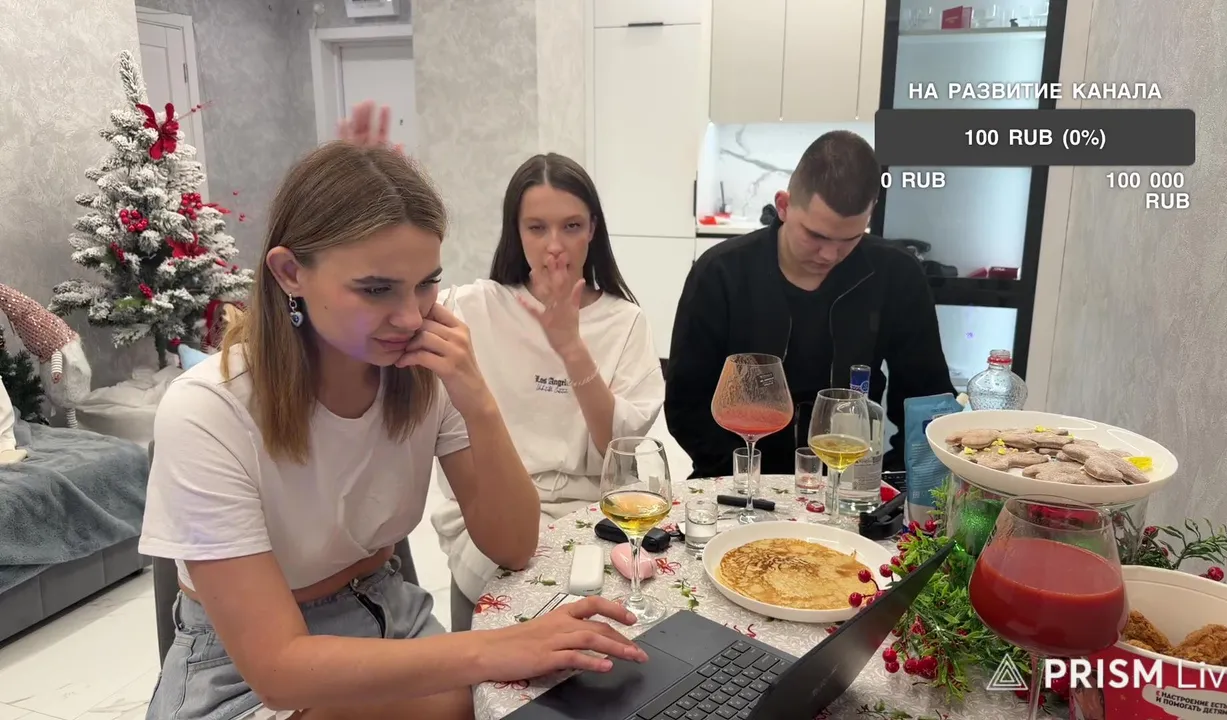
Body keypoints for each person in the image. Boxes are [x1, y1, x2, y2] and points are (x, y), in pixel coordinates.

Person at [140, 139, 648, 720]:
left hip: (391, 617)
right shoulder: (207, 412)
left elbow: (513, 544)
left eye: (426, 283)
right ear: (290, 272)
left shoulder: (423, 373)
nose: (410, 316)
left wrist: (478, 401)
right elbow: (279, 670)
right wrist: (493, 649)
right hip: (243, 674)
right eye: (377, 289)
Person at [432, 152, 665, 629]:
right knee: (521, 614)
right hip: (492, 509)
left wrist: (571, 348)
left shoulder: (625, 321)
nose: (554, 246)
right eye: (536, 228)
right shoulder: (471, 307)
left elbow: (617, 448)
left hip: (589, 510)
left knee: (613, 618)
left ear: (593, 228)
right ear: (515, 232)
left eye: (571, 226)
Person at [664, 130, 953, 479]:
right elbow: (686, 406)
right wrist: (746, 478)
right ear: (783, 206)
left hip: (849, 477)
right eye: (815, 235)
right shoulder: (721, 273)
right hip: (739, 477)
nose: (829, 254)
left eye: (849, 238)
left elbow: (927, 402)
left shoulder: (896, 275)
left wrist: (889, 479)